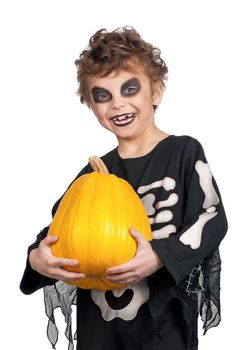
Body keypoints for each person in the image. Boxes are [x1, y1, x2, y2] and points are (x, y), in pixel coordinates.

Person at [20, 26, 228, 350]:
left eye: (129, 89)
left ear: (156, 91)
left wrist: (160, 256)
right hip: (99, 332)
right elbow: (60, 229)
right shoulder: (92, 173)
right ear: (91, 104)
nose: (117, 104)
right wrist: (37, 258)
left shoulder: (184, 153)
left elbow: (211, 217)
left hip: (164, 330)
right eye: (103, 95)